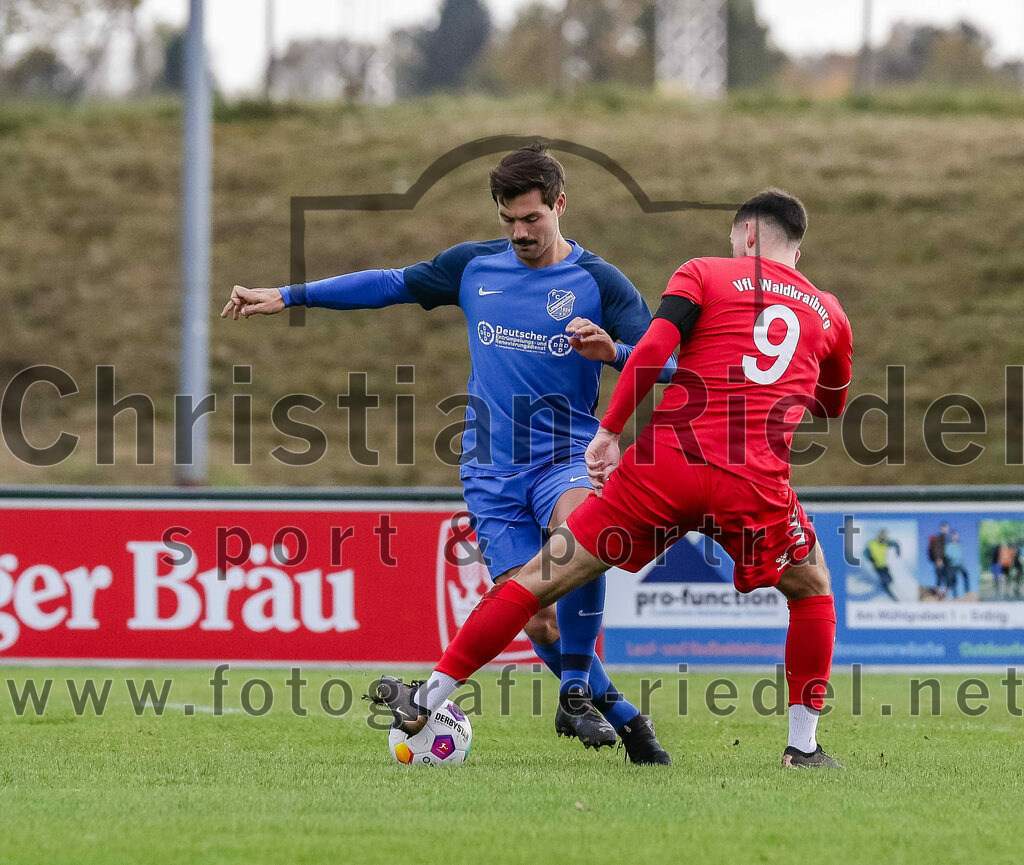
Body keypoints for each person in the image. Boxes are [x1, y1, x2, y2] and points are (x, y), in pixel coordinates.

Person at [223, 144, 674, 764]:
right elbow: (389, 284)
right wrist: (291, 295)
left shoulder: (599, 282)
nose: (520, 233)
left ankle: (574, 692)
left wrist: (612, 352)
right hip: (491, 470)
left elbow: (665, 363)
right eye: (508, 220)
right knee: (537, 617)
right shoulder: (473, 268)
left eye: (532, 219)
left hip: (566, 455)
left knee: (580, 540)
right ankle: (620, 713)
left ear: (560, 206)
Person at [374, 188, 854, 769]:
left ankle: (428, 697)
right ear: (793, 248)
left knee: (539, 579)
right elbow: (831, 404)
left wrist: (608, 430)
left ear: (746, 236)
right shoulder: (829, 313)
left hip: (665, 470)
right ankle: (802, 748)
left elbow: (653, 348)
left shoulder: (703, 273)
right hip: (751, 484)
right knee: (811, 590)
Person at [864, 529, 900, 601]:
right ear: (879, 536)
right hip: (877, 566)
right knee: (885, 578)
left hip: (884, 565)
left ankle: (887, 583)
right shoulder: (872, 544)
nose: (883, 540)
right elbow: (865, 552)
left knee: (890, 579)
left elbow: (896, 544)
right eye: (882, 537)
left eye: (885, 538)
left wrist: (898, 550)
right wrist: (870, 558)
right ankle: (885, 586)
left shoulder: (886, 543)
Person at [943, 529, 968, 598]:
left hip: (960, 564)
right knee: (954, 581)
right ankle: (955, 596)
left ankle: (967, 592)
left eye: (956, 535)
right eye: (953, 535)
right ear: (951, 536)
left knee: (965, 575)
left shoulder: (959, 545)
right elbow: (947, 554)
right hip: (952, 565)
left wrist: (963, 563)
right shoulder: (948, 545)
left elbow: (960, 555)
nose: (955, 536)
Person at [927, 522, 950, 596]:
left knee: (946, 577)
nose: (946, 530)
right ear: (941, 529)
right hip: (939, 560)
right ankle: (937, 594)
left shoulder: (946, 538)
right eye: (944, 528)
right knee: (940, 577)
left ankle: (942, 594)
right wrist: (938, 559)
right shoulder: (938, 537)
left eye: (947, 528)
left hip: (945, 560)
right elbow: (936, 549)